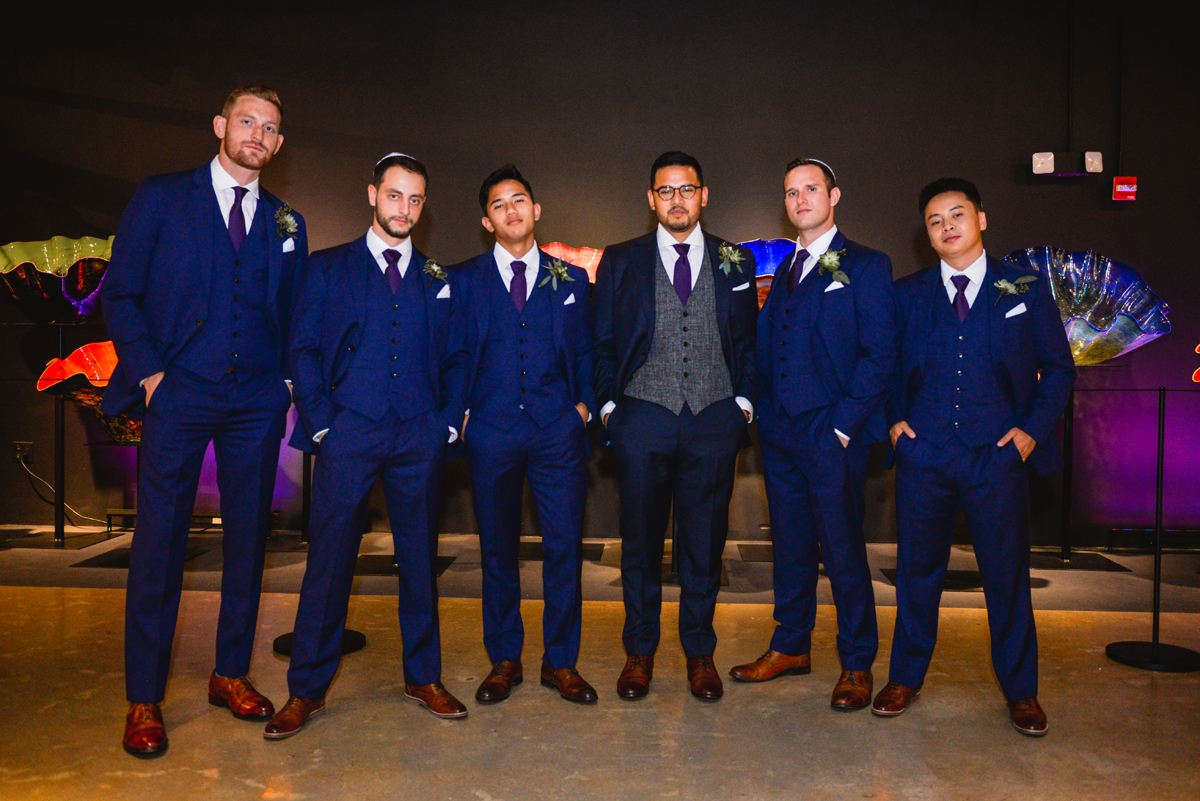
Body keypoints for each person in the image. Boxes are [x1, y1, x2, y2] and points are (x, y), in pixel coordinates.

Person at [103, 85, 305, 757]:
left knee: (249, 543)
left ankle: (230, 673)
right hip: (179, 394)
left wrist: (280, 385)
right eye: (246, 120)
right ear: (221, 125)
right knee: (159, 549)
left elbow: (295, 315)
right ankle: (144, 697)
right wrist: (153, 377)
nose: (257, 133)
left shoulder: (285, 222)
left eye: (269, 127)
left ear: (277, 145)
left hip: (254, 403)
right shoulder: (163, 197)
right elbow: (123, 293)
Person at [263, 153, 469, 740]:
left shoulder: (438, 280)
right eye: (395, 195)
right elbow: (300, 348)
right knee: (328, 565)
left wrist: (445, 424)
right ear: (373, 194)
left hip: (417, 436)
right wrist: (324, 423)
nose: (404, 208)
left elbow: (456, 359)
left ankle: (422, 677)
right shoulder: (327, 268)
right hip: (348, 432)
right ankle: (306, 689)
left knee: (419, 564)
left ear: (422, 206)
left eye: (416, 199)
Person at [875, 178, 1075, 735]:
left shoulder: (1025, 288)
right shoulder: (907, 293)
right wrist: (894, 423)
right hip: (925, 458)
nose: (947, 227)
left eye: (957, 215)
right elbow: (884, 365)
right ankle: (904, 679)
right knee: (917, 575)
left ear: (981, 220)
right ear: (927, 234)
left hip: (997, 457)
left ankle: (1022, 692)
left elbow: (1058, 370)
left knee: (1007, 578)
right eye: (935, 221)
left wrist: (1031, 432)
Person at [729, 159, 895, 710]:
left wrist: (845, 426)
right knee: (792, 548)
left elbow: (880, 355)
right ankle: (790, 646)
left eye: (810, 189)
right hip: (778, 435)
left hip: (831, 433)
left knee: (843, 552)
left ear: (834, 195)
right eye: (791, 192)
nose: (800, 199)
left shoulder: (867, 266)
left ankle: (856, 663)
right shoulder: (787, 269)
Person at [593, 151, 757, 700]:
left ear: (704, 195)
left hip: (713, 419)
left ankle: (700, 654)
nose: (677, 200)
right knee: (638, 545)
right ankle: (639, 653)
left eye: (687, 189)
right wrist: (612, 411)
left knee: (704, 546)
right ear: (651, 200)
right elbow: (601, 343)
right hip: (643, 416)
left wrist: (743, 406)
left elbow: (748, 342)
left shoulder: (735, 259)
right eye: (666, 191)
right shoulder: (621, 259)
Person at [453, 165, 597, 705]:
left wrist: (580, 409)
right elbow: (453, 355)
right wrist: (462, 415)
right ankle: (504, 660)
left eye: (519, 201)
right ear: (486, 221)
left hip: (556, 432)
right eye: (498, 205)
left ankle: (561, 663)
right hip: (489, 432)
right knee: (497, 551)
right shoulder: (463, 281)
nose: (510, 210)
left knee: (564, 549)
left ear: (536, 211)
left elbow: (585, 351)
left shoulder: (572, 280)